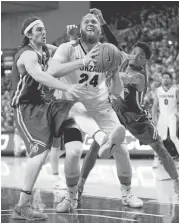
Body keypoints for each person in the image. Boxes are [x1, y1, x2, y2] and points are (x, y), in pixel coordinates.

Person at [65, 8, 179, 205]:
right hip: (117, 112)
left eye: (140, 56)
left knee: (159, 147)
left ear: (145, 61)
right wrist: (102, 22)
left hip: (136, 118)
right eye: (133, 52)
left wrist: (112, 69)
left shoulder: (140, 76)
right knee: (95, 146)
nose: (134, 56)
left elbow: (126, 78)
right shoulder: (125, 59)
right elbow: (115, 45)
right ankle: (81, 184)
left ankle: (177, 183)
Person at [10, 16, 109, 220]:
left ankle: (102, 139)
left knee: (75, 107)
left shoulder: (45, 49)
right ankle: (22, 206)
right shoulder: (27, 55)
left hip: (45, 103)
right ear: (28, 34)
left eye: (44, 28)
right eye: (38, 29)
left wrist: (74, 40)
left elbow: (66, 52)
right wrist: (67, 86)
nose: (43, 31)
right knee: (40, 154)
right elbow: (40, 76)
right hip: (26, 109)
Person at [49, 12, 142, 210]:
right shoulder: (68, 48)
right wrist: (81, 62)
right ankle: (71, 197)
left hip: (101, 106)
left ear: (100, 30)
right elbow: (52, 72)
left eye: (94, 22)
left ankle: (127, 193)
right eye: (86, 21)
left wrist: (115, 71)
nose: (91, 23)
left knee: (122, 150)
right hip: (74, 106)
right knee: (73, 153)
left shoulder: (109, 51)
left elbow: (118, 93)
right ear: (81, 29)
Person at [152, 72, 179, 168]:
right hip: (162, 117)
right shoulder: (158, 90)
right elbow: (154, 106)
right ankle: (156, 159)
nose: (165, 79)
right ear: (161, 79)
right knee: (159, 139)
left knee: (173, 137)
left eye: (167, 77)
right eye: (163, 77)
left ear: (171, 79)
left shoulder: (175, 90)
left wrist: (178, 114)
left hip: (172, 116)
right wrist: (153, 118)